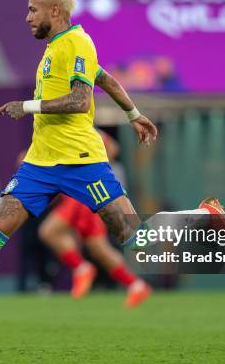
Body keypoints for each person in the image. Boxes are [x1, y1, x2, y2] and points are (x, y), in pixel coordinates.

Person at [0, 0, 225, 355]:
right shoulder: (57, 46)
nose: (27, 17)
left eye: (33, 9)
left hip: (82, 162)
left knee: (136, 240)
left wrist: (24, 106)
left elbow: (78, 100)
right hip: (39, 164)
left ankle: (204, 213)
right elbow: (105, 79)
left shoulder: (77, 42)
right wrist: (134, 114)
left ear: (55, 11)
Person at [38, 131, 151, 307]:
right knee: (98, 247)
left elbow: (113, 147)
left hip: (81, 194)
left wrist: (97, 167)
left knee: (49, 231)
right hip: (81, 193)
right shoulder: (59, 130)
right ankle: (135, 285)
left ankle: (81, 267)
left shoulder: (84, 130)